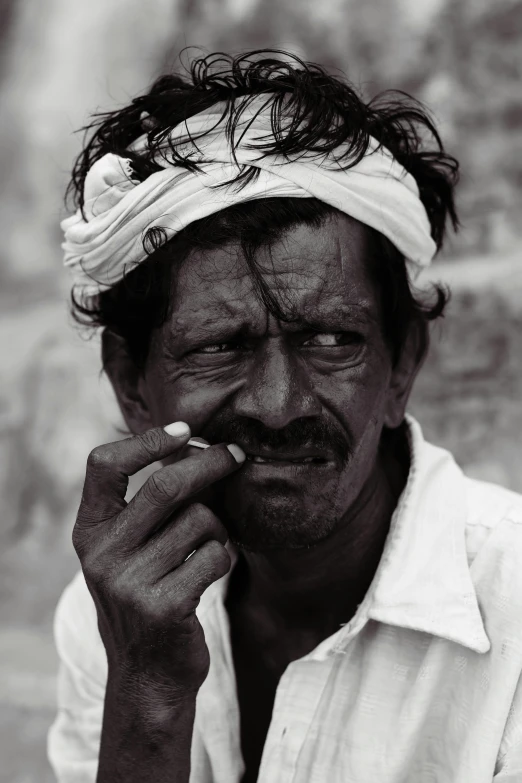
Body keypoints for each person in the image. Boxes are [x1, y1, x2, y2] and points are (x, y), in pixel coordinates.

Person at [47, 50, 522, 783]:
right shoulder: (116, 614)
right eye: (217, 346)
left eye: (331, 340)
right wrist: (145, 697)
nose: (278, 404)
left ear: (401, 367)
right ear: (130, 383)